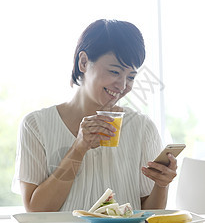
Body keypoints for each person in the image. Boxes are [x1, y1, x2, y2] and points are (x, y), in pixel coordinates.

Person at [12, 19, 177, 212]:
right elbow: (36, 211)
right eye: (114, 71)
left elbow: (149, 216)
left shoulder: (143, 127)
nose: (123, 85)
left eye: (131, 76)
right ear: (83, 62)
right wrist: (79, 148)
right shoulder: (36, 125)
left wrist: (162, 184)